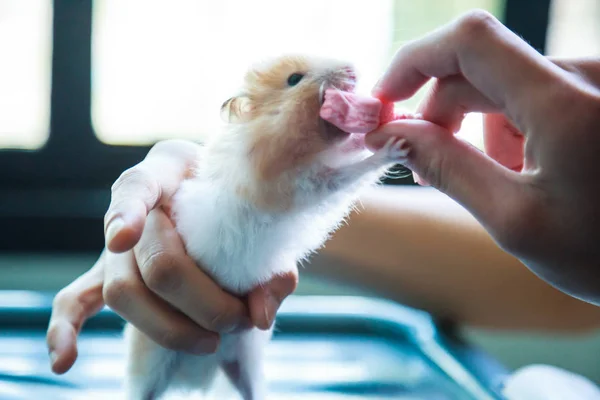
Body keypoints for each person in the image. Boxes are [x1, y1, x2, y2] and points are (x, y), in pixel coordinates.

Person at [46, 9, 600, 396]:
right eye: (296, 81)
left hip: (247, 274)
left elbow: (303, 199)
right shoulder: (244, 156)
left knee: (245, 356)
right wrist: (193, 193)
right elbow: (291, 195)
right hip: (233, 254)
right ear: (243, 113)